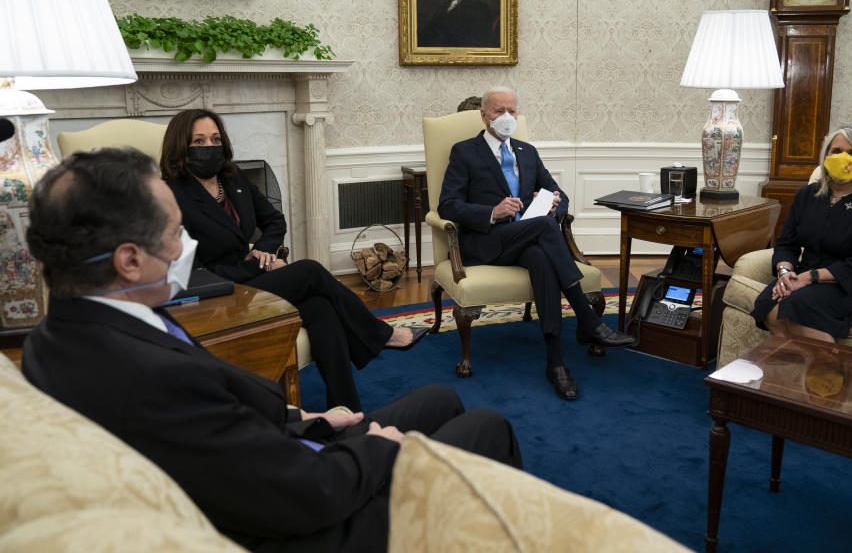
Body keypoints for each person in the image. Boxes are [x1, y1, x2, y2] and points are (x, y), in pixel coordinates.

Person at [21, 147, 522, 553]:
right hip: (309, 524)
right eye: (175, 234)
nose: (184, 248)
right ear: (129, 260)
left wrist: (311, 421)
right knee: (488, 428)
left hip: (274, 458)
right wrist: (379, 447)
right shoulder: (148, 376)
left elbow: (216, 432)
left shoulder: (54, 336)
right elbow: (309, 495)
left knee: (438, 400)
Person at [160, 109, 428, 411]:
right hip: (218, 295)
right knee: (310, 271)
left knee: (321, 307)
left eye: (215, 138)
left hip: (251, 277)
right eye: (199, 140)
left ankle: (347, 410)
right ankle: (382, 335)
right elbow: (194, 269)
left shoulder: (232, 179)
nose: (210, 146)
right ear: (181, 146)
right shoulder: (171, 196)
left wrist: (265, 249)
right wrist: (260, 264)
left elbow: (274, 220)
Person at [437, 86, 636, 401]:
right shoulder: (465, 151)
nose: (507, 117)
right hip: (486, 242)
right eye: (499, 111)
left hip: (526, 239)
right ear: (484, 115)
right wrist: (491, 211)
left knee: (541, 256)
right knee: (543, 229)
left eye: (512, 111)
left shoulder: (527, 151)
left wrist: (556, 202)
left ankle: (555, 363)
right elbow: (447, 205)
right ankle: (587, 320)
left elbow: (560, 194)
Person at [751, 126, 852, 342]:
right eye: (836, 150)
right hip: (808, 270)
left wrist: (809, 278)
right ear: (826, 155)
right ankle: (801, 370)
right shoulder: (807, 195)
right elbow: (786, 244)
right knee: (767, 302)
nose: (843, 157)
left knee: (798, 304)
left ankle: (831, 372)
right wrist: (784, 274)